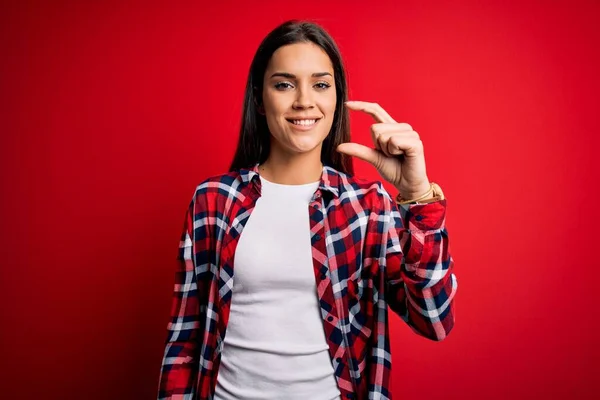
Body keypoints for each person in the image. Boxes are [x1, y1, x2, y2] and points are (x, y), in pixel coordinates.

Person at [157, 20, 457, 400]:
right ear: (260, 100)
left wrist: (417, 195)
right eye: (284, 84)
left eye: (320, 84)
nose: (303, 100)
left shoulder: (368, 206)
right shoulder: (213, 200)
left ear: (336, 98)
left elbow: (434, 319)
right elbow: (184, 339)